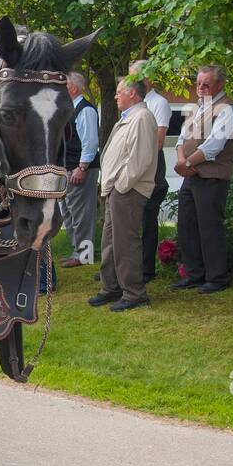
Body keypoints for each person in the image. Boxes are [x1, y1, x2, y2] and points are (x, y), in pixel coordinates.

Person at [89, 77, 159, 312]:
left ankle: (134, 293)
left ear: (132, 94)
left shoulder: (142, 117)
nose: (115, 96)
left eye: (119, 92)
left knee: (125, 242)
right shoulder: (130, 117)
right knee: (109, 241)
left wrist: (121, 185)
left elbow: (140, 159)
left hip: (128, 190)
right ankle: (111, 287)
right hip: (118, 190)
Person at [172, 64, 233, 294]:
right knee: (187, 224)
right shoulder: (198, 107)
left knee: (209, 227)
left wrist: (187, 163)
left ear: (220, 85)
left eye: (205, 84)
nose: (200, 87)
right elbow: (181, 138)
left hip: (212, 177)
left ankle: (217, 277)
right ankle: (194, 273)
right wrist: (181, 160)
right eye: (198, 83)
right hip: (192, 175)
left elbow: (213, 147)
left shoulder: (226, 109)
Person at [128, 62, 172, 281]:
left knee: (147, 216)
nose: (129, 81)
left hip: (151, 166)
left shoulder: (159, 103)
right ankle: (127, 264)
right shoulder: (133, 103)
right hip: (134, 164)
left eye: (133, 77)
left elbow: (158, 141)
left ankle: (146, 268)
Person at [58, 72, 100, 267]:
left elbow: (90, 142)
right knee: (68, 212)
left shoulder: (85, 110)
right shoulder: (68, 109)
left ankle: (84, 255)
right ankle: (78, 252)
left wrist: (82, 167)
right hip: (67, 169)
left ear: (73, 88)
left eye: (64, 85)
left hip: (80, 169)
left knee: (82, 215)